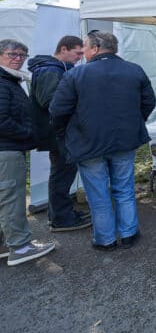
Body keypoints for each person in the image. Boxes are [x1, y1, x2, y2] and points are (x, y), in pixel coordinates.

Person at [50, 31, 156, 250]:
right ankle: (129, 234)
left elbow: (58, 110)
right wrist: (134, 122)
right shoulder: (134, 70)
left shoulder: (76, 75)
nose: (84, 52)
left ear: (96, 49)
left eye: (86, 47)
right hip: (124, 141)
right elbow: (149, 102)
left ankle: (105, 239)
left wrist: (67, 133)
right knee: (124, 188)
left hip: (88, 142)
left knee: (98, 193)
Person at [0, 39, 56, 266]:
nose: (18, 58)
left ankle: (7, 243)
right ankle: (21, 247)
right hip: (7, 149)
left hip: (8, 148)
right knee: (12, 198)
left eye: (22, 55)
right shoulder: (3, 82)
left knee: (5, 198)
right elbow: (2, 120)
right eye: (12, 54)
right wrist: (28, 134)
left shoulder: (10, 80)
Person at [28, 36, 92, 232]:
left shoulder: (59, 69)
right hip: (58, 133)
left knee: (63, 174)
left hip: (60, 132)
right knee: (61, 175)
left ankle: (61, 213)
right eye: (77, 53)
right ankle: (61, 219)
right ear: (64, 49)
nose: (80, 57)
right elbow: (51, 103)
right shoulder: (49, 70)